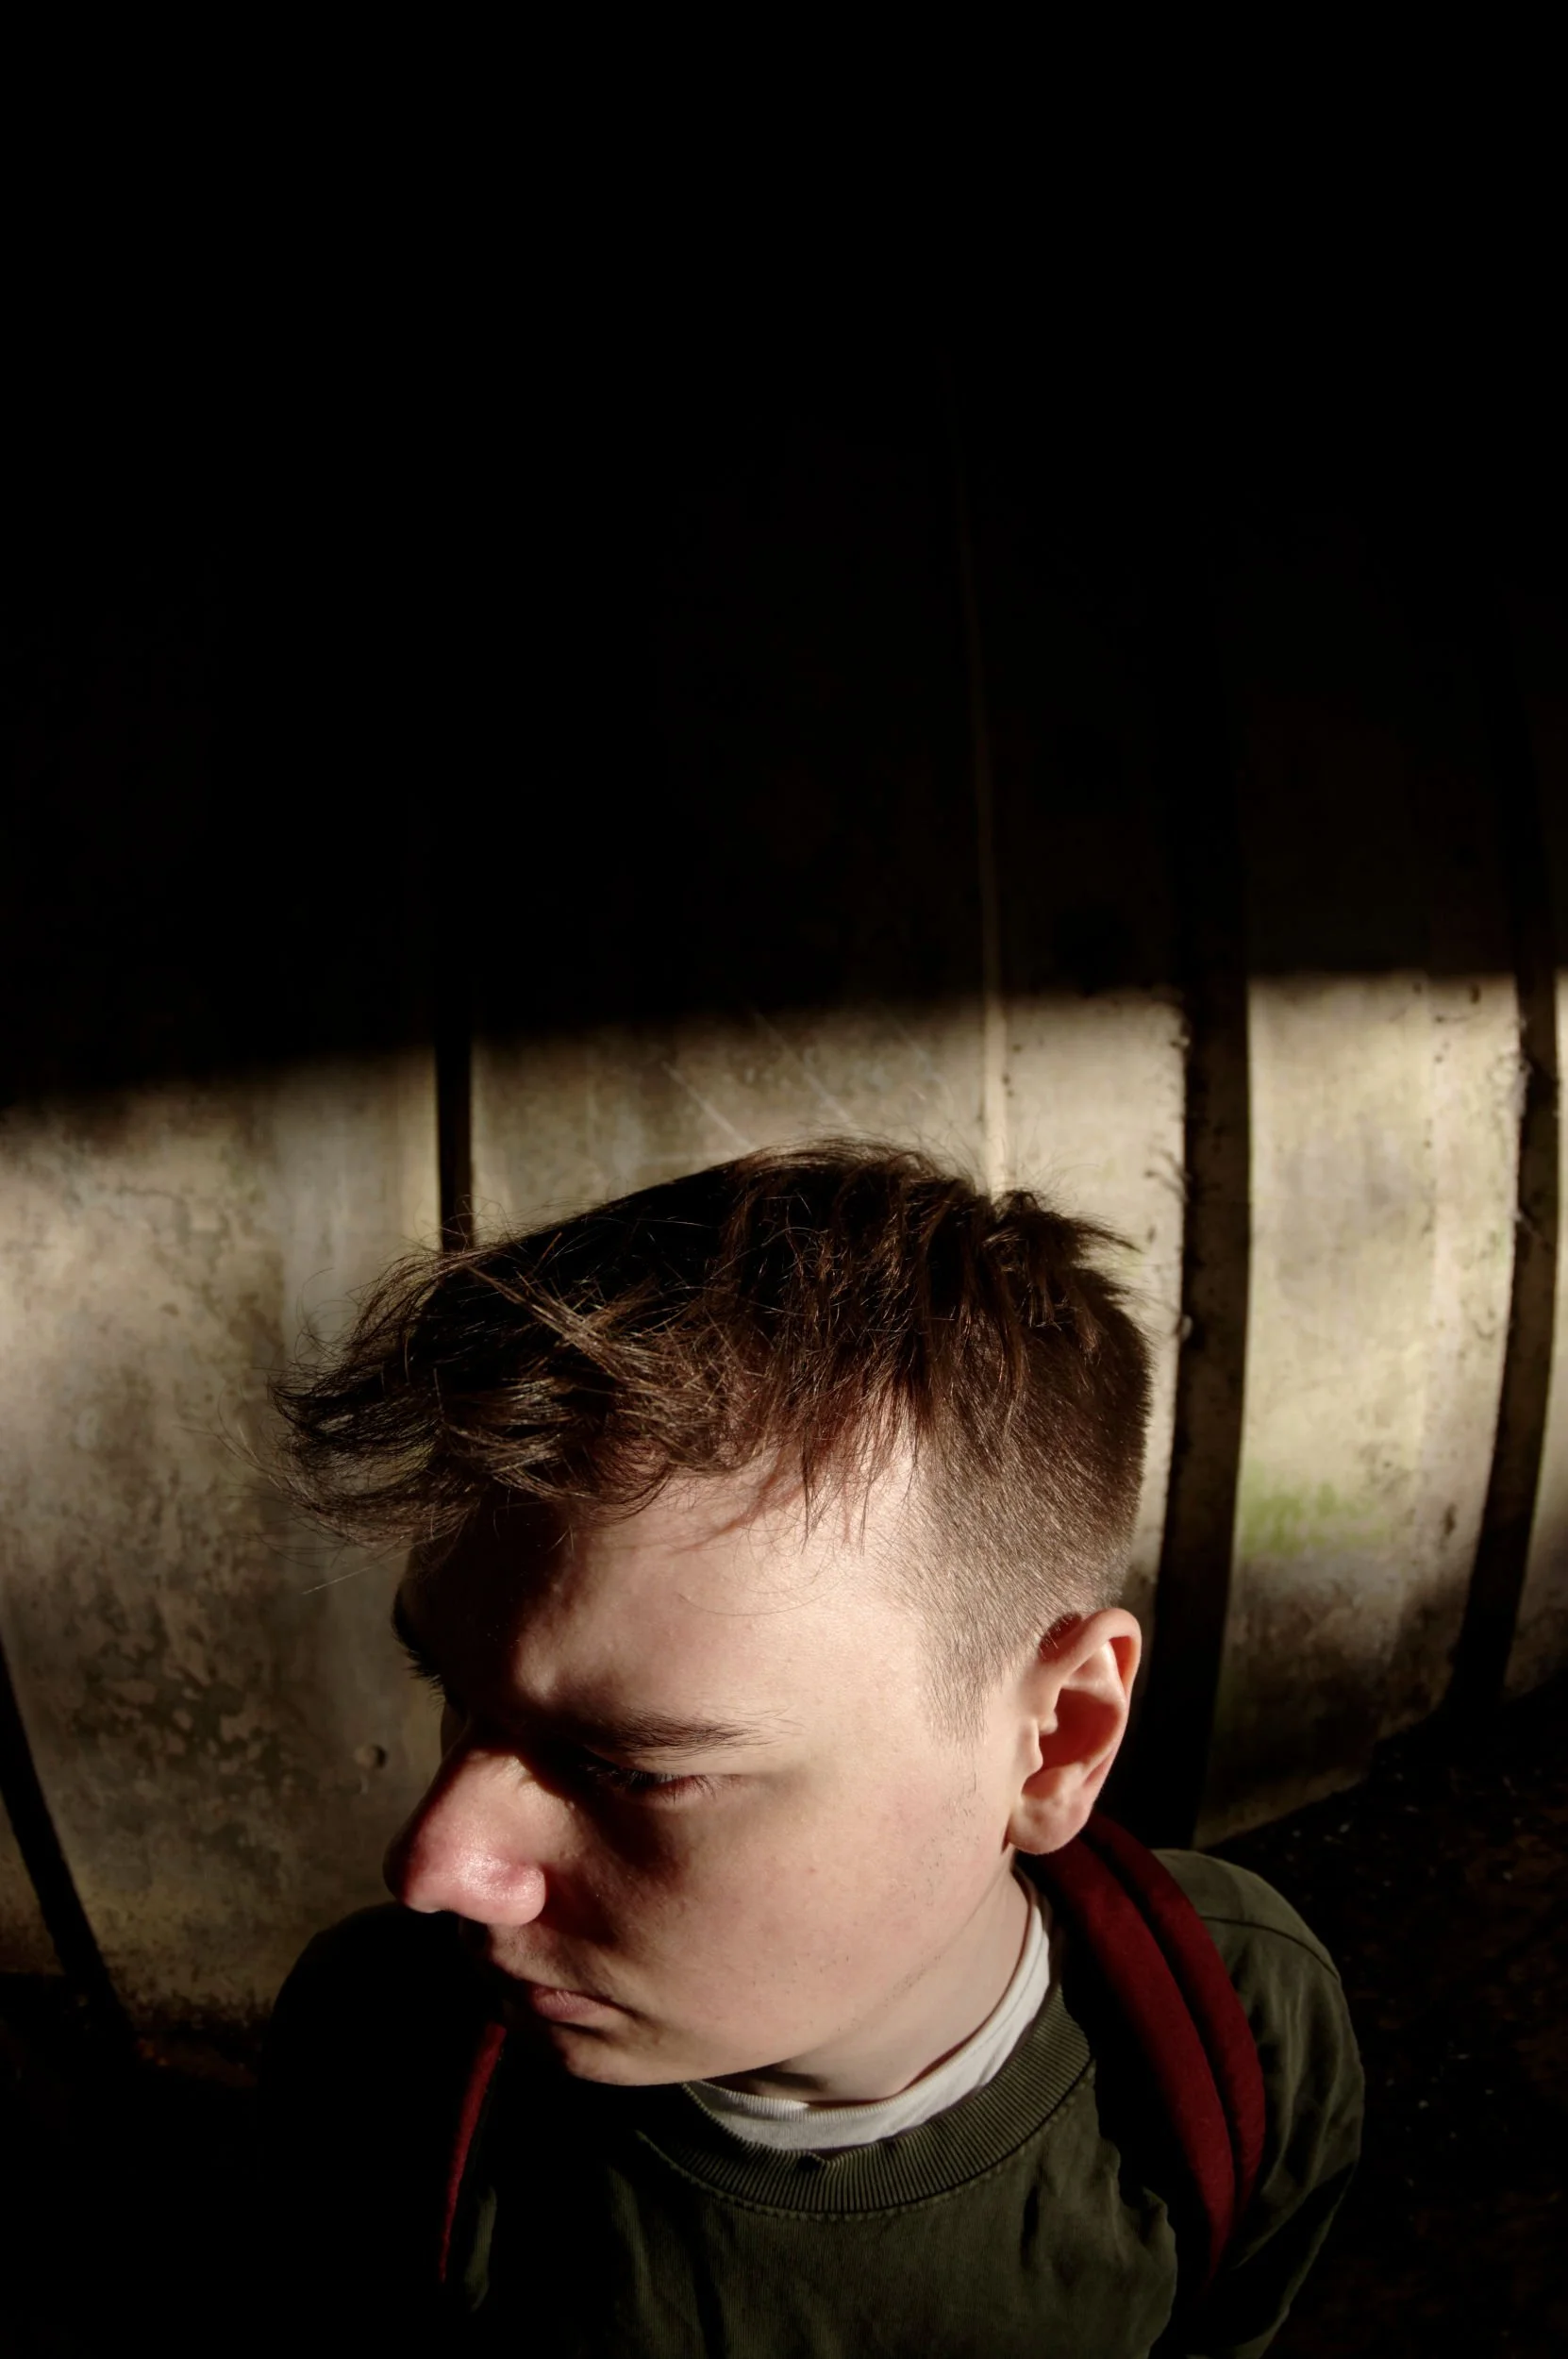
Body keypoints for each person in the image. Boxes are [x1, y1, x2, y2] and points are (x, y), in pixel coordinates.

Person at [260, 1142, 1362, 2356]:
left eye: (635, 1766)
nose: (432, 1864)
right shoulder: (381, 2053)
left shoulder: (1239, 2029)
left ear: (1056, 1742)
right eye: (454, 1694)